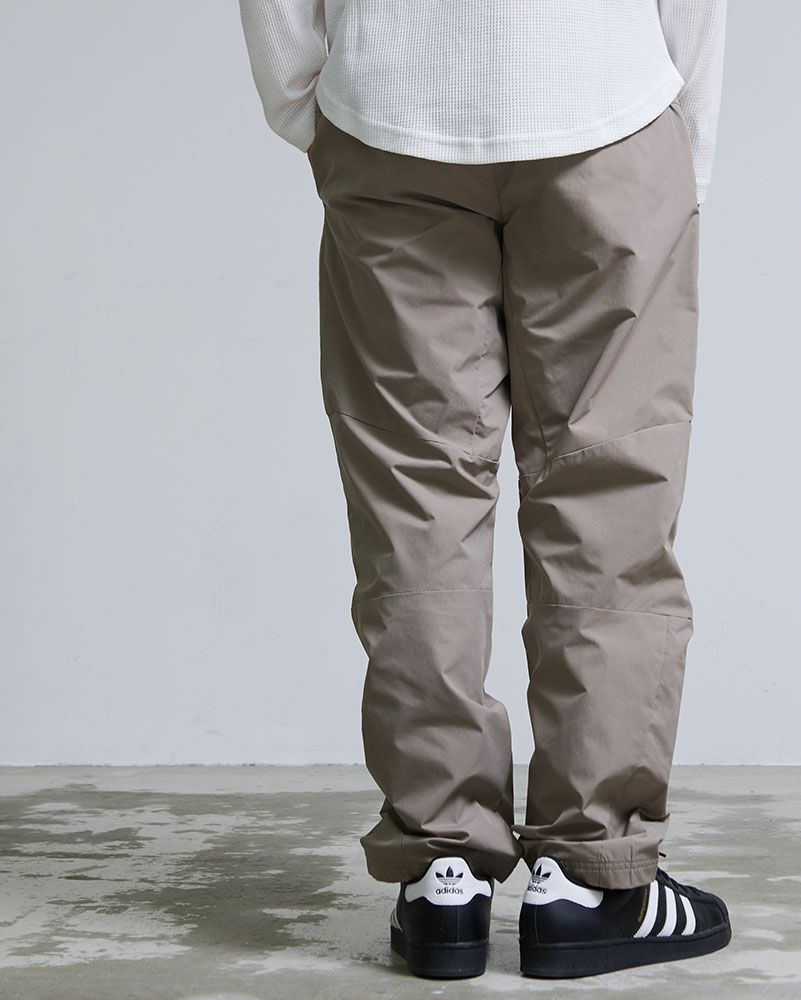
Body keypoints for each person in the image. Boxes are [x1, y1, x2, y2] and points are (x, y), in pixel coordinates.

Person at [239, 0, 729, 981]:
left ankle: (442, 871)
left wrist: (317, 97)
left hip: (393, 114)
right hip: (602, 103)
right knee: (609, 497)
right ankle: (590, 879)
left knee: (415, 498)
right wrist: (682, 133)